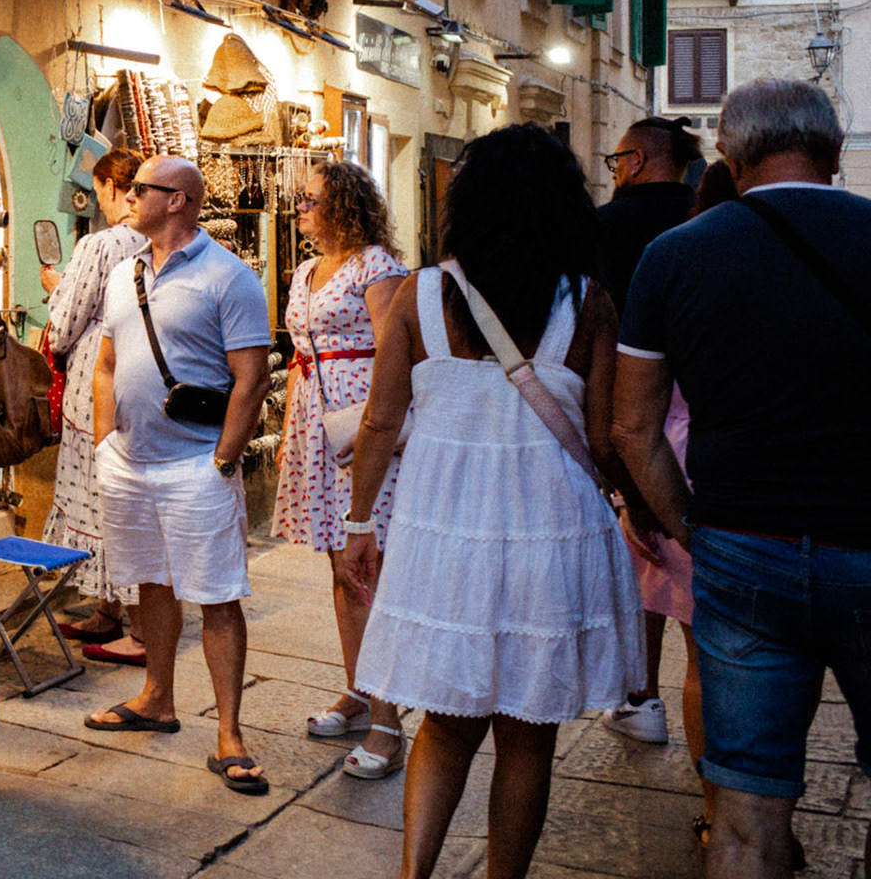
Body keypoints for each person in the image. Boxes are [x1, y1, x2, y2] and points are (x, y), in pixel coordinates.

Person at [343, 124, 645, 879]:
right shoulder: (589, 303)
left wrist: (358, 522)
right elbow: (604, 437)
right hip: (553, 533)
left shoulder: (417, 295)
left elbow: (379, 420)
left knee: (445, 727)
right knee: (527, 737)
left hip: (446, 534)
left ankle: (415, 874)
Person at [613, 79, 871, 879]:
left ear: (727, 154)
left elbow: (632, 426)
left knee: (744, 813)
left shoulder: (674, 255)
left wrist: (690, 528)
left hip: (740, 545)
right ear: (835, 149)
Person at [81, 155, 275, 795]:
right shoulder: (125, 272)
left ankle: (230, 734)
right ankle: (157, 698)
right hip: (130, 462)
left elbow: (252, 379)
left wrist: (224, 459)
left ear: (179, 200)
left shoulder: (230, 277)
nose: (129, 195)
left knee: (217, 595)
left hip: (196, 463)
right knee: (151, 584)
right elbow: (106, 363)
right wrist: (105, 442)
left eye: (143, 188)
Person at [272, 161, 408, 777]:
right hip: (313, 421)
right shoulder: (306, 270)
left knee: (367, 572)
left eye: (311, 200)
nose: (300, 207)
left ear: (345, 205)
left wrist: (379, 425)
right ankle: (358, 690)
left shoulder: (374, 266)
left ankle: (388, 719)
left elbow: (397, 350)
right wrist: (290, 434)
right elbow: (302, 355)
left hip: (359, 421)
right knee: (339, 568)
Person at [596, 117, 702, 748]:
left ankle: (641, 697)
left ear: (635, 161)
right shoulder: (708, 220)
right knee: (693, 587)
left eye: (615, 161)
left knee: (644, 561)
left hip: (627, 414)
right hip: (704, 419)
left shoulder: (602, 228)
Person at [40, 147, 148, 666]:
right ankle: (109, 610)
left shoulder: (99, 245)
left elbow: (65, 324)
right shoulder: (156, 241)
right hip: (139, 378)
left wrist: (55, 291)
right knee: (123, 493)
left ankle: (141, 630)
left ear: (112, 187)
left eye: (100, 190)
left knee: (103, 494)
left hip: (96, 377)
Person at [598, 116, 701, 313]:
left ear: (637, 159)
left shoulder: (601, 223)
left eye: (617, 160)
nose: (614, 173)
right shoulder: (707, 216)